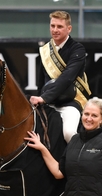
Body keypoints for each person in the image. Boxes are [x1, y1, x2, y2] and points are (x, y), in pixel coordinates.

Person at [29, 10, 91, 143]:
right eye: (53, 26)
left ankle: (75, 162)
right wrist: (40, 99)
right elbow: (42, 81)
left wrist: (43, 98)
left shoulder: (77, 49)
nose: (55, 30)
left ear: (69, 29)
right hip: (49, 103)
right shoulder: (46, 50)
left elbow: (67, 78)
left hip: (70, 102)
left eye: (60, 26)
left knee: (69, 133)